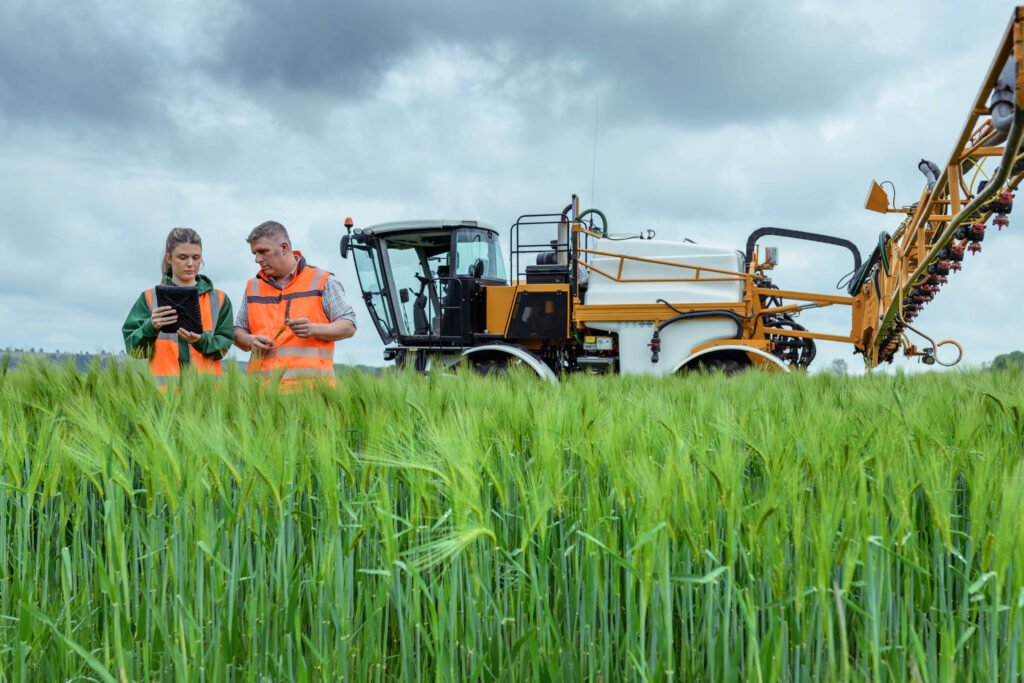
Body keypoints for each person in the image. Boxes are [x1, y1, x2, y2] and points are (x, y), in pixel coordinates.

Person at [233, 221, 356, 388]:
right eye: (255, 253)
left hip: (314, 396)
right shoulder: (252, 287)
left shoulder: (323, 281)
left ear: (284, 247)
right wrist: (249, 340)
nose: (257, 259)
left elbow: (349, 325)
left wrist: (313, 329)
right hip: (261, 398)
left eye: (263, 251)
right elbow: (237, 331)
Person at [122, 227, 234, 385]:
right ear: (169, 258)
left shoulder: (220, 299)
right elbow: (133, 349)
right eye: (182, 257)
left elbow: (224, 347)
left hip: (208, 399)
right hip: (162, 401)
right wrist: (151, 326)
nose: (190, 264)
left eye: (196, 257)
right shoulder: (148, 298)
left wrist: (201, 340)